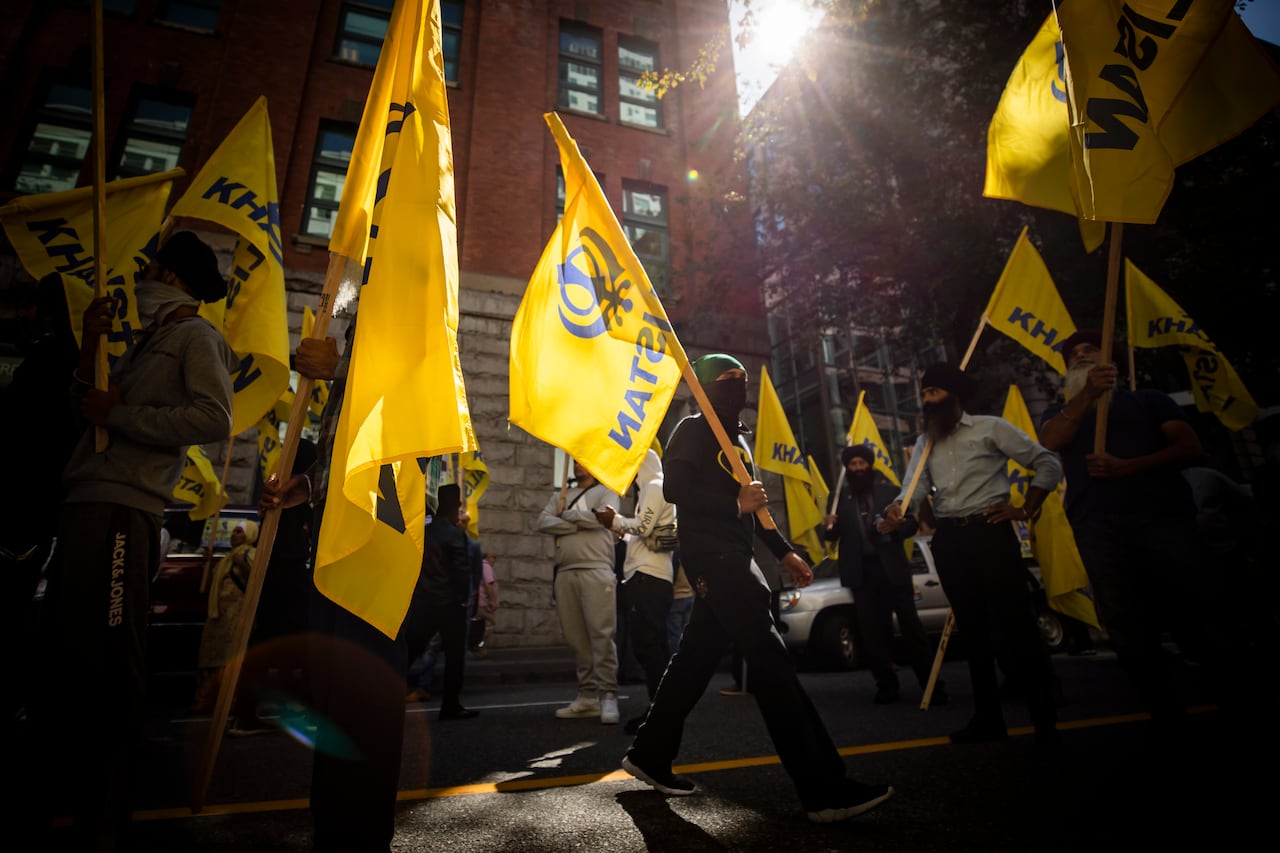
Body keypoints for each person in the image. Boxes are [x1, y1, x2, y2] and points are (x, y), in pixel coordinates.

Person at [621, 353, 894, 823]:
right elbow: (675, 490)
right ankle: (823, 789)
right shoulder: (692, 428)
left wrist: (784, 550)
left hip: (737, 556)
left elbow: (755, 506)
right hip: (716, 561)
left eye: (741, 379)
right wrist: (734, 500)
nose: (737, 386)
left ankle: (649, 754)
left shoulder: (737, 441)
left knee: (693, 662)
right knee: (773, 666)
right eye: (726, 380)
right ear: (704, 387)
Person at [29, 231, 236, 847]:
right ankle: (67, 786)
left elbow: (213, 418)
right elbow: (88, 412)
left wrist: (117, 415)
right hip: (88, 501)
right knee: (68, 653)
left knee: (113, 658)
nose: (140, 278)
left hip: (125, 510)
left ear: (171, 279)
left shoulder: (195, 337)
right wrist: (91, 344)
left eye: (149, 269)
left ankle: (107, 805)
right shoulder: (147, 340)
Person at [260, 318, 411, 852]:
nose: (348, 343)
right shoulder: (352, 383)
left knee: (364, 695)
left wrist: (341, 368)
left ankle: (363, 835)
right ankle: (334, 829)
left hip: (379, 541)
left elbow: (409, 400)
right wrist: (304, 487)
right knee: (332, 694)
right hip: (333, 537)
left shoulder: (413, 349)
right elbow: (342, 455)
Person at [1038, 329, 1220, 731]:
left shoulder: (1148, 400)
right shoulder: (1062, 409)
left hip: (1163, 519)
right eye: (1073, 355)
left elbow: (1190, 449)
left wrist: (1127, 467)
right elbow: (1051, 440)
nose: (1080, 355)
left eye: (1090, 350)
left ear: (1112, 363)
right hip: (1098, 527)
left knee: (1193, 609)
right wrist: (1086, 395)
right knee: (1126, 624)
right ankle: (1164, 711)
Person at [886, 362, 1062, 750]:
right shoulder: (925, 442)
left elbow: (1047, 462)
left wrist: (1025, 508)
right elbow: (913, 489)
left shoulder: (991, 428)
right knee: (973, 631)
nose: (927, 401)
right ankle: (988, 719)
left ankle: (1044, 718)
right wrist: (898, 509)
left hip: (991, 533)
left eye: (934, 393)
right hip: (951, 540)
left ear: (954, 396)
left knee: (1017, 625)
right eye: (924, 394)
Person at [0, 272, 81, 732]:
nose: (27, 315)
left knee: (14, 609)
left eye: (37, 307)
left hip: (22, 514)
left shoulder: (53, 362)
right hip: (31, 511)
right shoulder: (54, 359)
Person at [824, 444, 946, 706]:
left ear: (870, 465)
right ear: (847, 468)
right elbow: (832, 537)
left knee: (912, 629)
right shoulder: (838, 497)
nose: (858, 468)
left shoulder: (891, 492)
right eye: (853, 464)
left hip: (892, 570)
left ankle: (931, 684)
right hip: (862, 574)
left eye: (862, 463)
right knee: (873, 634)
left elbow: (912, 524)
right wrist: (828, 526)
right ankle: (886, 686)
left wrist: (895, 527)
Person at [594, 448, 678, 734]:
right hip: (650, 577)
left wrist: (615, 521)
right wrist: (620, 528)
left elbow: (643, 527)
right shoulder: (654, 489)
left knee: (648, 648)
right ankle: (663, 710)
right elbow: (644, 532)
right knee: (653, 647)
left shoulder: (655, 486)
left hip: (648, 578)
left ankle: (659, 712)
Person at [536, 461, 622, 724]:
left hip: (596, 568)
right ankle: (587, 695)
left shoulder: (607, 492)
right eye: (574, 462)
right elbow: (542, 521)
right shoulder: (561, 495)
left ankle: (608, 694)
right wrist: (578, 523)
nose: (576, 466)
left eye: (582, 461)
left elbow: (604, 519)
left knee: (601, 633)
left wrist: (567, 516)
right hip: (565, 570)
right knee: (576, 637)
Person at [405, 484, 478, 720]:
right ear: (455, 507)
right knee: (454, 658)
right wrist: (463, 601)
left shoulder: (424, 531)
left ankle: (381, 691)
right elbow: (460, 572)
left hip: (423, 602)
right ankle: (450, 706)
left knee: (410, 651)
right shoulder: (455, 534)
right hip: (449, 606)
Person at [196, 521, 260, 719]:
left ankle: (229, 702)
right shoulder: (225, 559)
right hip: (218, 617)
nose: (234, 535)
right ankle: (207, 700)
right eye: (234, 532)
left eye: (239, 532)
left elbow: (256, 581)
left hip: (237, 616)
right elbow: (209, 587)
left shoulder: (251, 554)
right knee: (211, 659)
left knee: (231, 659)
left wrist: (241, 562)